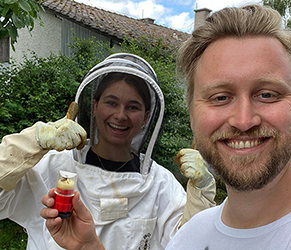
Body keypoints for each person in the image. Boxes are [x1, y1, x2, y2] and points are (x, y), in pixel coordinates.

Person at [0, 53, 216, 250]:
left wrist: (201, 192)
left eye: (133, 107)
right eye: (111, 102)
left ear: (146, 117)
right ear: (94, 107)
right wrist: (33, 141)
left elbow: (189, 243)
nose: (120, 115)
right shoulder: (54, 167)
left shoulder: (159, 183)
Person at [165, 4, 291, 250]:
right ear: (192, 117)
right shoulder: (186, 239)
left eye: (266, 94)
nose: (244, 121)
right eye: (220, 97)